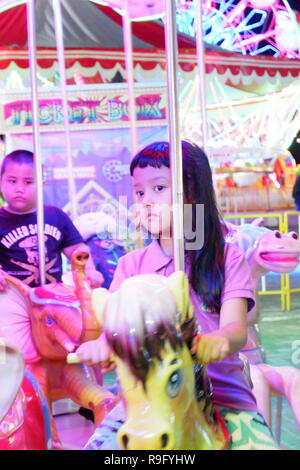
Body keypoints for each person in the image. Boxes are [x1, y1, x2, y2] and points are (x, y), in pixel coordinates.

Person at [76, 141, 279, 450]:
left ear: (193, 193)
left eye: (158, 188)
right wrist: (102, 344)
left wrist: (220, 340)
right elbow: (115, 330)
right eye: (140, 192)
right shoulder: (131, 266)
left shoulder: (227, 258)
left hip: (221, 394)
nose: (145, 201)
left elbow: (236, 328)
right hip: (146, 401)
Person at [0, 149, 104, 364]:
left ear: (42, 184)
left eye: (29, 182)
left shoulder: (55, 215)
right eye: (12, 181)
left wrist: (90, 271)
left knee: (74, 343)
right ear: (1, 182)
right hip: (15, 303)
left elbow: (77, 249)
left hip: (53, 302)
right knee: (18, 357)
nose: (19, 188)